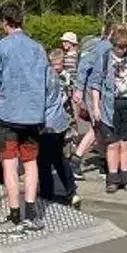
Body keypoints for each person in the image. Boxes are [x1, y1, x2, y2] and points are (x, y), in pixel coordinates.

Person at [0, 2, 50, 236]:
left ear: (4, 22)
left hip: (8, 116)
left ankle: (14, 216)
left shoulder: (1, 48)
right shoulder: (38, 48)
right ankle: (31, 213)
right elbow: (48, 82)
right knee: (30, 163)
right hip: (32, 116)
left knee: (10, 165)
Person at [89, 26, 127, 193]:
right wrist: (96, 107)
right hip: (109, 105)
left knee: (126, 143)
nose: (123, 50)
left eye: (126, 47)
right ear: (113, 45)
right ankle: (112, 178)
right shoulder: (104, 58)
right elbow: (95, 84)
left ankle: (126, 177)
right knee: (112, 144)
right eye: (120, 47)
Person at [40, 48, 82, 210]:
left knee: (44, 161)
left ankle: (46, 194)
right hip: (62, 121)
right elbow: (73, 99)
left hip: (48, 123)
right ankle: (71, 192)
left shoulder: (45, 76)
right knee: (59, 157)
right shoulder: (65, 77)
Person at [70, 22, 114, 178]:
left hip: (97, 89)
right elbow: (84, 66)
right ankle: (75, 161)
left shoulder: (101, 46)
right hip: (95, 90)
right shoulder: (104, 47)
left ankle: (105, 163)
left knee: (101, 128)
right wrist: (79, 89)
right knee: (98, 126)